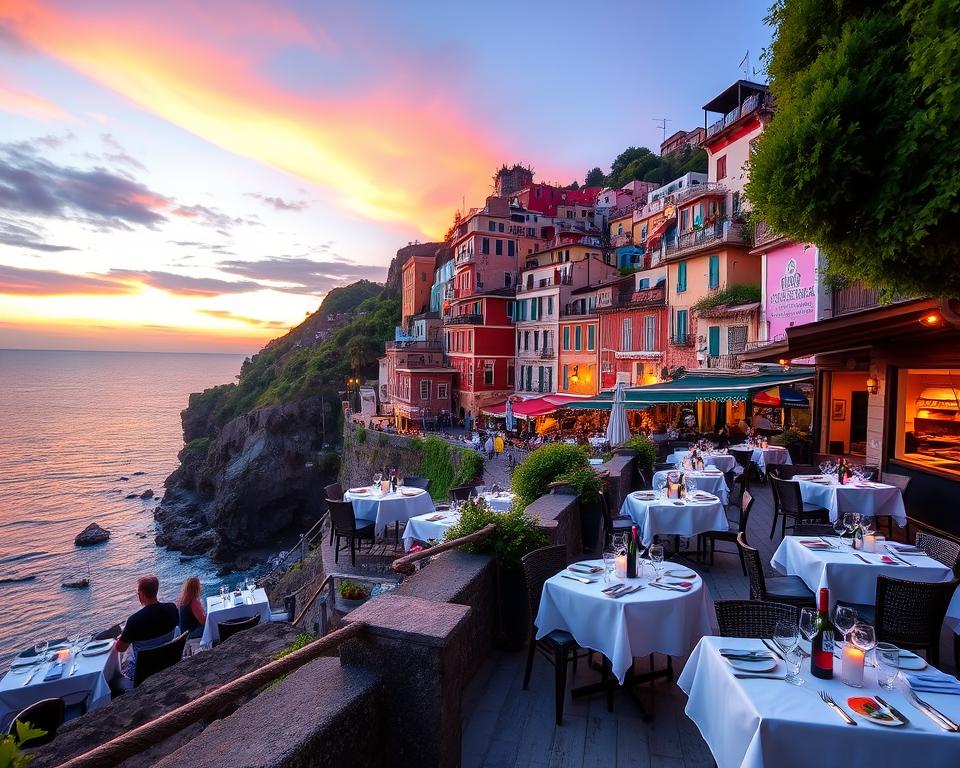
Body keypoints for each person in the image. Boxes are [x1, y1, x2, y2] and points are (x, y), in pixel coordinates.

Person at [115, 575, 179, 683]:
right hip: (167, 663)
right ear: (156, 591)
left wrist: (122, 637)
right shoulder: (172, 608)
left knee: (115, 679)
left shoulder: (134, 621)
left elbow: (120, 648)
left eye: (138, 593)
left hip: (143, 673)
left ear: (142, 594)